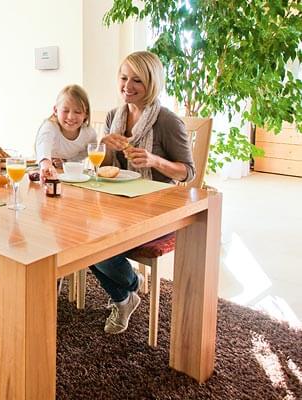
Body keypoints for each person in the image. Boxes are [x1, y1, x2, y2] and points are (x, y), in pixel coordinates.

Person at [90, 51, 195, 334]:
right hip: (118, 204)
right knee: (80, 234)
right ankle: (126, 296)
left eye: (137, 80)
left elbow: (188, 172)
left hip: (157, 209)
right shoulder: (115, 115)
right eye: (124, 77)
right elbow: (104, 168)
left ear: (152, 83)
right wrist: (106, 145)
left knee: (95, 247)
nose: (127, 85)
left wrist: (154, 161)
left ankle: (131, 285)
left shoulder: (167, 121)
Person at [35, 84, 97, 181]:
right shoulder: (50, 126)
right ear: (56, 110)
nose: (71, 117)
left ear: (86, 114)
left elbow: (87, 152)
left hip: (70, 175)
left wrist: (66, 162)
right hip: (45, 171)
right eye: (65, 111)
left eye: (77, 112)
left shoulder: (89, 133)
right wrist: (46, 162)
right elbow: (43, 143)